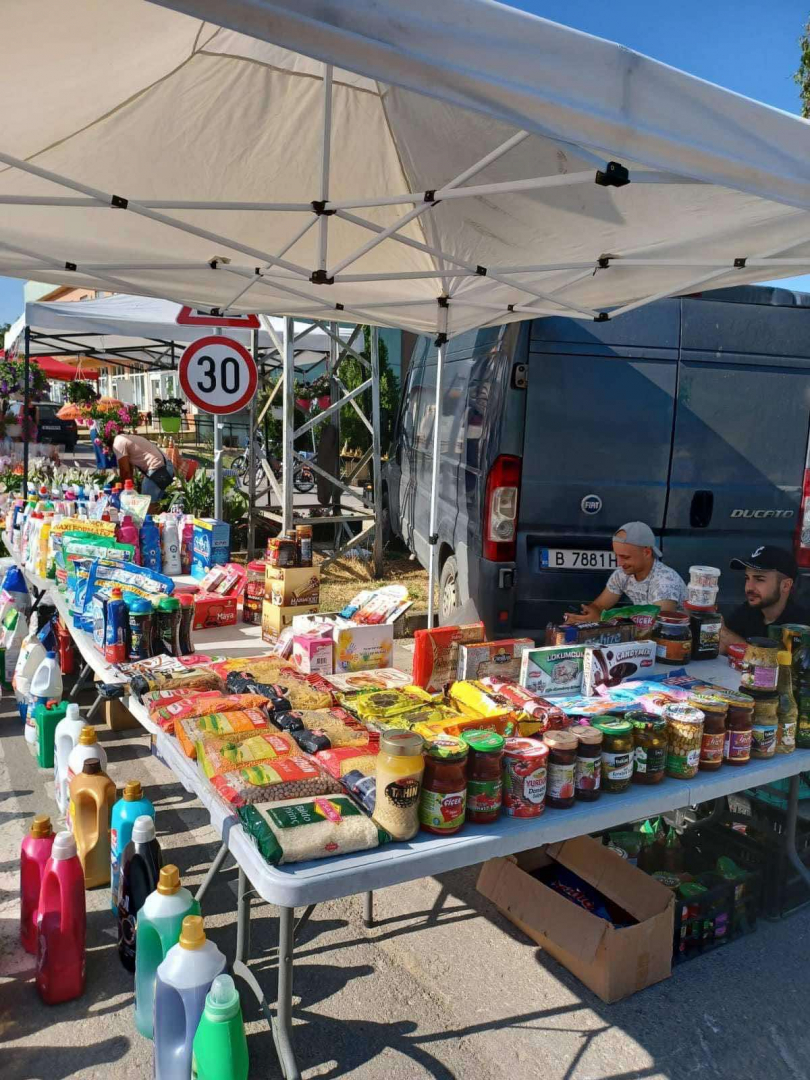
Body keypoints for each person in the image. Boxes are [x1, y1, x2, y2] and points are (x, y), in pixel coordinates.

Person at [564, 521, 687, 623]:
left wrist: (602, 619)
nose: (619, 563)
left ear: (647, 552)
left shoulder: (665, 581)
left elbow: (660, 624)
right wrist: (586, 616)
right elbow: (599, 606)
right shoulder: (622, 574)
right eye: (617, 556)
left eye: (625, 557)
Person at [720, 546, 810, 652]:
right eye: (747, 578)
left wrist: (734, 641)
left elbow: (787, 666)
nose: (749, 587)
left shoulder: (801, 626)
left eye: (759, 579)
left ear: (786, 585)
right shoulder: (746, 612)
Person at [109, 430, 175, 507]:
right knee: (156, 505)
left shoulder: (118, 442)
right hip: (166, 466)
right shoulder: (127, 439)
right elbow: (129, 472)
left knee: (146, 506)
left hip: (157, 469)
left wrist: (123, 493)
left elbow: (125, 472)